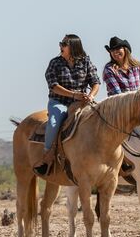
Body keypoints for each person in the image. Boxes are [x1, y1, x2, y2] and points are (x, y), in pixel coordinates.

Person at [37, 34, 100, 175]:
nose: (61, 46)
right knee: (53, 123)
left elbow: (95, 81)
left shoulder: (85, 61)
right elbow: (53, 86)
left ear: (73, 47)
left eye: (64, 44)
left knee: (103, 119)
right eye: (61, 43)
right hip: (60, 102)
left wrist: (91, 95)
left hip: (82, 102)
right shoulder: (55, 63)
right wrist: (73, 95)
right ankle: (47, 156)